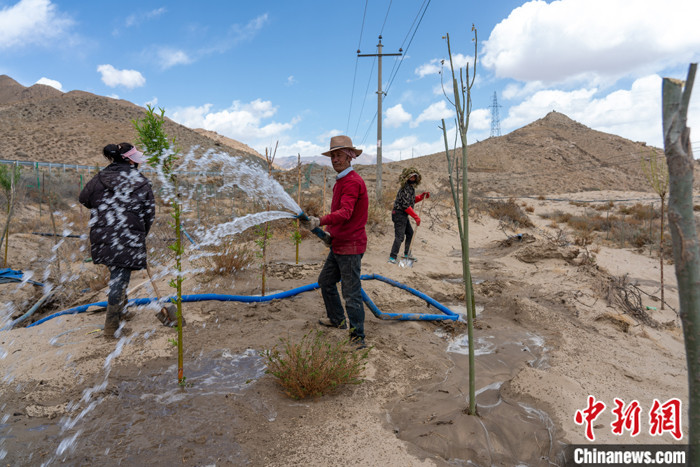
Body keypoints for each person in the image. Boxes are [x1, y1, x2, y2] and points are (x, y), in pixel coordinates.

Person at [79, 143, 155, 338]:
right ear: (129, 160)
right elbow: (149, 214)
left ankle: (123, 310)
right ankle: (111, 327)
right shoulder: (141, 182)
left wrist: (103, 206)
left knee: (118, 273)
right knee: (119, 278)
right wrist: (140, 234)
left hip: (103, 236)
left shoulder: (99, 178)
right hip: (128, 235)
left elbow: (84, 199)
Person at [301, 135, 369, 349]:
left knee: (351, 293)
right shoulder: (342, 180)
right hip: (340, 244)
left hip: (351, 247)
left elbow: (345, 213)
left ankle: (358, 338)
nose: (335, 159)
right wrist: (330, 234)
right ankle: (337, 319)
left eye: (339, 155)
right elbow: (341, 214)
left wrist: (320, 221)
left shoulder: (352, 182)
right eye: (333, 156)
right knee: (326, 281)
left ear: (350, 156)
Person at [388, 167, 429, 264]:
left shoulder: (411, 188)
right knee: (400, 236)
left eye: (414, 177)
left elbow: (412, 200)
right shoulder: (404, 188)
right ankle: (392, 257)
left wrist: (421, 196)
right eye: (411, 177)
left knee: (410, 233)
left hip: (403, 215)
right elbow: (405, 205)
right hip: (398, 214)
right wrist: (416, 217)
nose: (413, 179)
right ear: (407, 177)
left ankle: (407, 254)